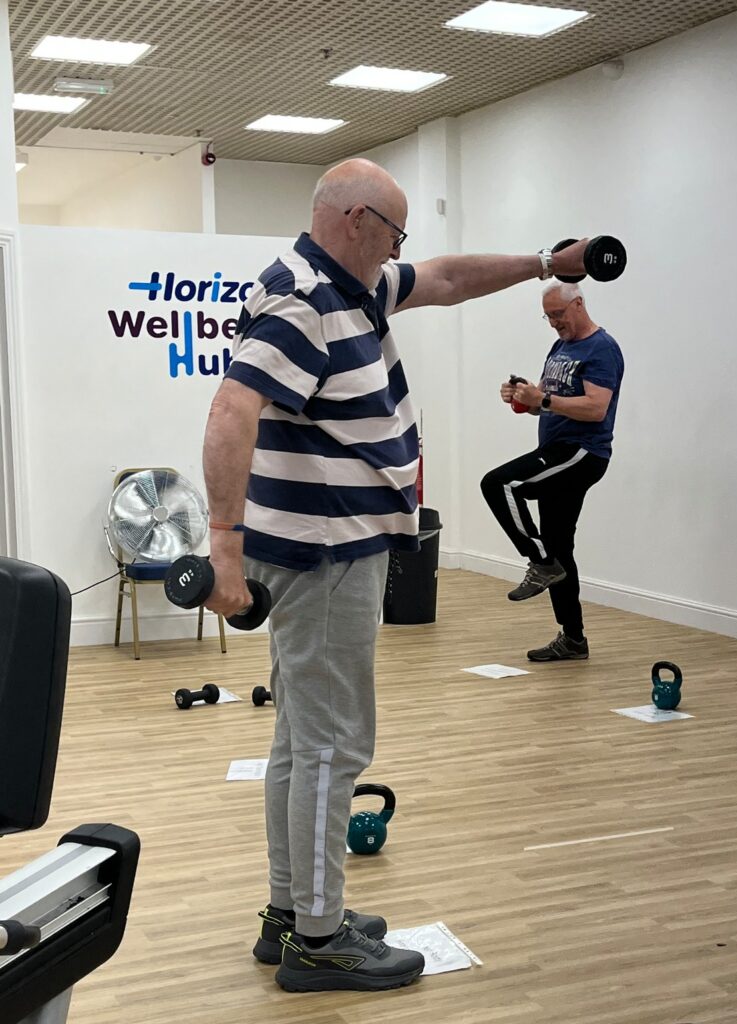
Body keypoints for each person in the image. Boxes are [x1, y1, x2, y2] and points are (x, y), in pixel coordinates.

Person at [200, 157, 592, 994]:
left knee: (302, 741)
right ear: (354, 221)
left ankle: (290, 913)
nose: (401, 250)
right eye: (393, 234)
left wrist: (542, 263)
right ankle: (319, 937)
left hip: (330, 548)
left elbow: (447, 278)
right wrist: (222, 547)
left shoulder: (355, 284)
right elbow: (232, 407)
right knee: (335, 744)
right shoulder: (304, 299)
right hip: (325, 553)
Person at [480, 282, 624, 662]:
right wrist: (522, 398)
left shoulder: (601, 348)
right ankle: (573, 639)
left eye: (558, 315)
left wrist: (541, 399)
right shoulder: (560, 347)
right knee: (561, 547)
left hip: (580, 453)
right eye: (548, 317)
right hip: (555, 451)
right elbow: (544, 401)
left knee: (499, 484)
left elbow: (596, 408)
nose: (554, 323)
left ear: (579, 304)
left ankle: (539, 562)